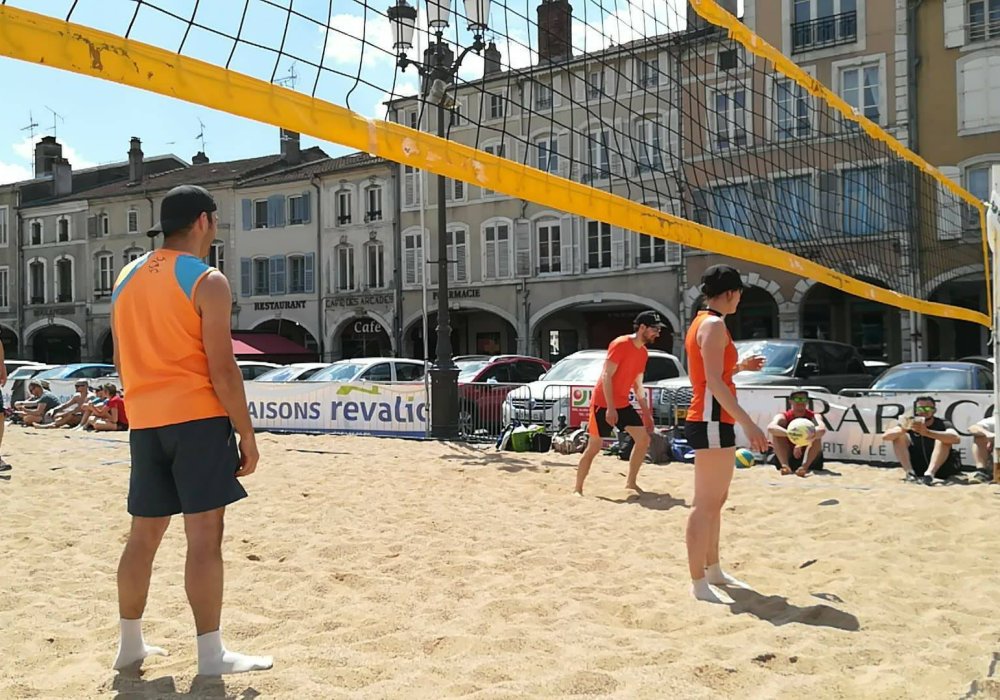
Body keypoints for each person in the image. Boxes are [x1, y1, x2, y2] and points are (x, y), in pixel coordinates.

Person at [110, 184, 271, 675]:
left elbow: (120, 360)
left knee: (142, 537)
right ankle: (210, 656)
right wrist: (247, 433)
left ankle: (129, 645)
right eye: (216, 220)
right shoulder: (207, 279)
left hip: (145, 421)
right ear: (203, 221)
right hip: (197, 420)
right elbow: (224, 371)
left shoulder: (125, 277)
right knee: (204, 537)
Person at [684, 265, 768, 604]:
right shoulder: (715, 325)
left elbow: (713, 374)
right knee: (704, 504)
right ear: (731, 293)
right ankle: (698, 581)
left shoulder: (703, 322)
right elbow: (713, 384)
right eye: (740, 294)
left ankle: (713, 569)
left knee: (716, 501)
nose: (740, 300)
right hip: (710, 419)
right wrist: (749, 423)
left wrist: (739, 368)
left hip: (711, 418)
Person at [573, 310, 664, 496]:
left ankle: (631, 483)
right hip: (603, 402)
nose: (658, 333)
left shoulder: (643, 353)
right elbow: (606, 376)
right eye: (655, 329)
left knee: (644, 438)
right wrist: (610, 408)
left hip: (622, 403)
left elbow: (638, 385)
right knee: (594, 447)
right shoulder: (620, 344)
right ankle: (578, 488)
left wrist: (647, 414)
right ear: (642, 328)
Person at [881, 396, 961, 485]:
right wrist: (903, 429)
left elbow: (956, 438)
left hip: (942, 468)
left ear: (934, 410)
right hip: (918, 467)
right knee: (899, 436)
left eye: (927, 408)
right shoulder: (910, 422)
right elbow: (886, 437)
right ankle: (910, 472)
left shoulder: (942, 423)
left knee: (944, 439)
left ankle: (930, 474)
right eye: (920, 408)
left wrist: (927, 432)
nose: (924, 411)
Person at [767, 390, 827, 477]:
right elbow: (771, 427)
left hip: (809, 458)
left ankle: (804, 467)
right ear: (790, 401)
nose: (800, 402)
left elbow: (822, 430)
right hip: (788, 455)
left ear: (807, 401)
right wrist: (792, 434)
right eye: (797, 399)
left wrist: (801, 443)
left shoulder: (813, 416)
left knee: (816, 434)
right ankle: (785, 466)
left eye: (803, 399)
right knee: (777, 431)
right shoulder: (784, 416)